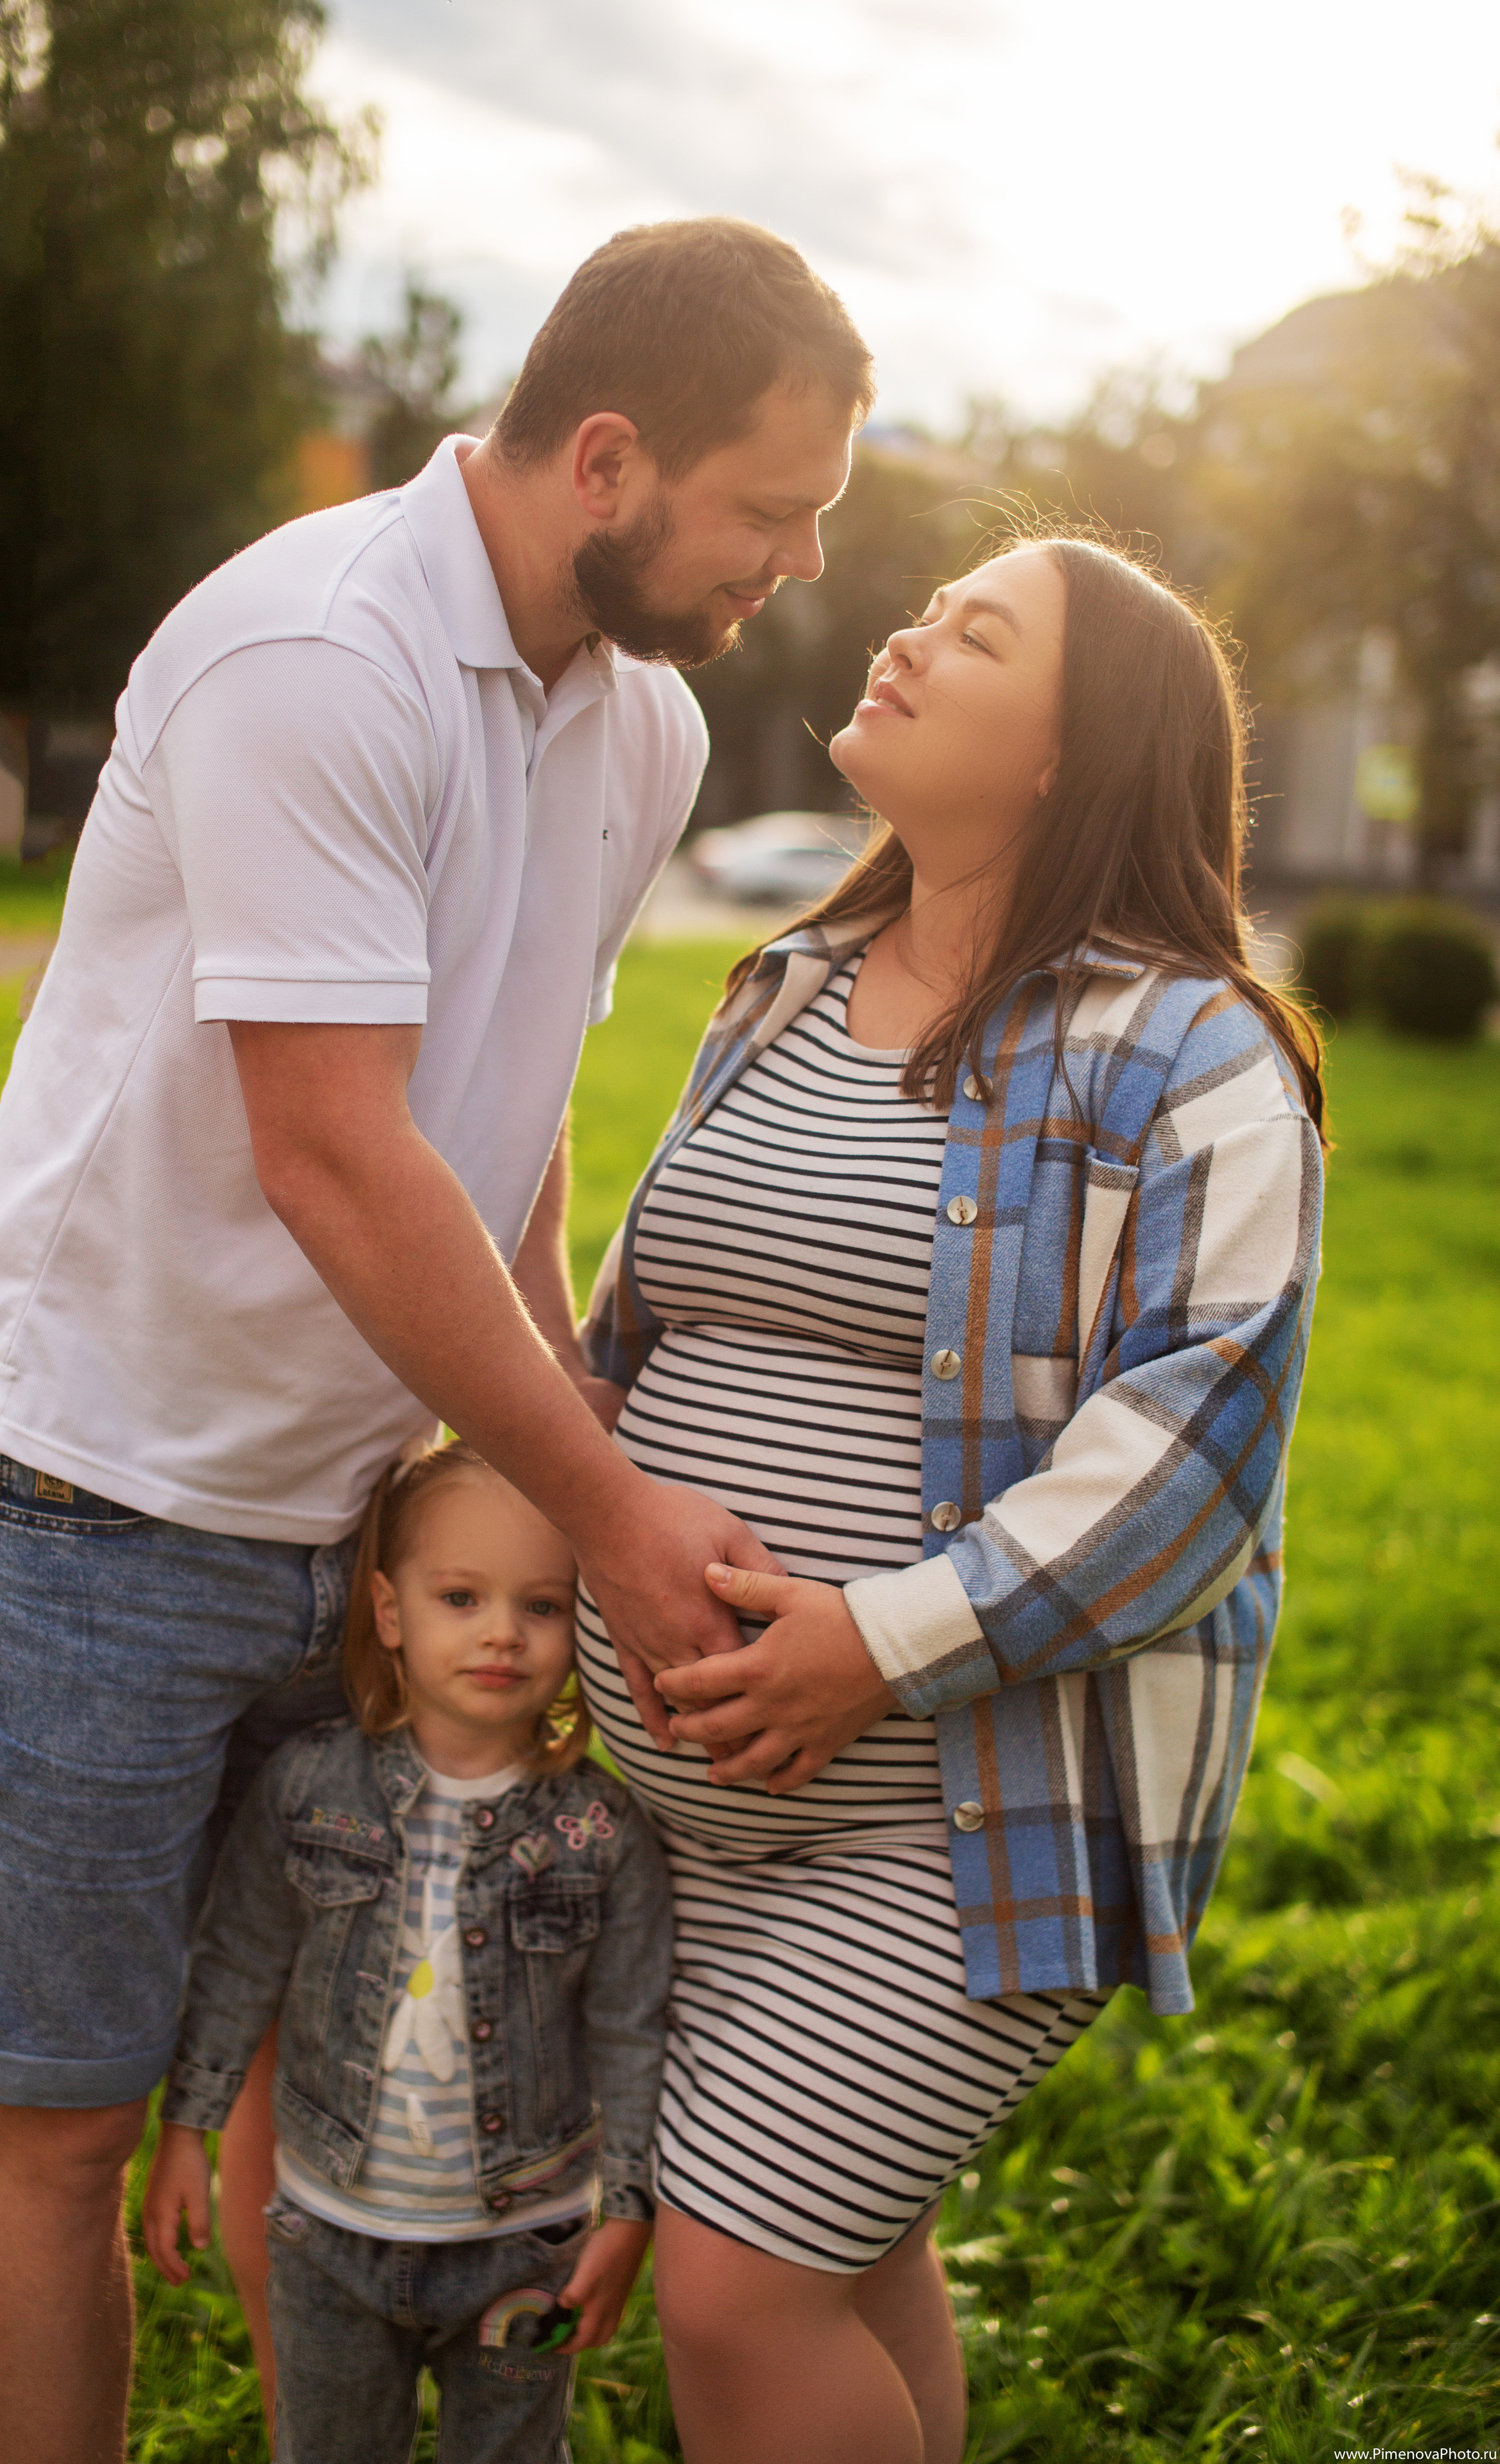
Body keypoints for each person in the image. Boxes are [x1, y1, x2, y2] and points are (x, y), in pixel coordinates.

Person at [0, 215, 872, 2461]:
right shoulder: (311, 656)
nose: (794, 568)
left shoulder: (645, 723)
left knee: (290, 2087)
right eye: (771, 509)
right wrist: (616, 1520)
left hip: (350, 1519)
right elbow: (336, 1152)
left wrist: (556, 1453)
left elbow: (496, 1129)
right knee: (62, 2130)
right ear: (607, 459)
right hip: (94, 1496)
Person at [575, 531, 1326, 2464]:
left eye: (975, 633)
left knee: (736, 2292)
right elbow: (638, 1325)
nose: (910, 632)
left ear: (1078, 755)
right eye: (933, 607)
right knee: (844, 2250)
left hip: (963, 1833)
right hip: (689, 1811)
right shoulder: (788, 984)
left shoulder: (1194, 1052)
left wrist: (873, 1644)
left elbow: (1201, 1445)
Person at [141, 1441, 669, 2464]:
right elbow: (236, 1962)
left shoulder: (604, 1835)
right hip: (325, 2240)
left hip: (530, 2248)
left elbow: (631, 2030)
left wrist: (629, 2208)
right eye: (461, 1597)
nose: (503, 1635)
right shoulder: (306, 1792)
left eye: (544, 1607)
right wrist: (184, 2130)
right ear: (390, 1611)